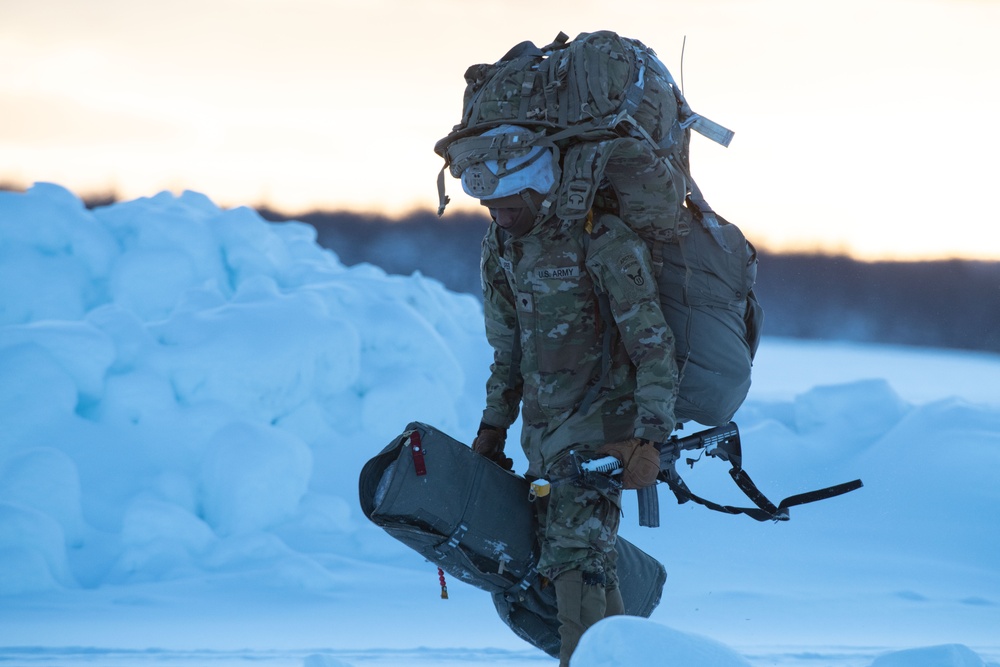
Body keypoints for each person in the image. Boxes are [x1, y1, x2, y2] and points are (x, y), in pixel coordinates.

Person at [464, 125, 679, 666]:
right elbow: (507, 350)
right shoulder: (501, 249)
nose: (499, 216)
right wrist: (493, 427)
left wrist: (649, 436)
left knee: (574, 558)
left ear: (537, 186)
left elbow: (653, 345)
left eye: (508, 204)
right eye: (490, 207)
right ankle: (616, 658)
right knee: (582, 563)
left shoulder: (601, 239)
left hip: (603, 435)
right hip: (543, 438)